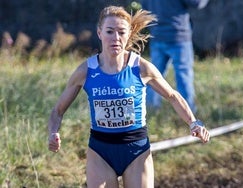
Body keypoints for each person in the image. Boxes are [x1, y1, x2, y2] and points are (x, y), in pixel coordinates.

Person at [48, 5, 210, 188]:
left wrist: (193, 123)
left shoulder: (141, 68)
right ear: (99, 33)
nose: (115, 38)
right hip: (100, 151)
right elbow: (58, 110)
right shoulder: (85, 71)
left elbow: (172, 96)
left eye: (121, 32)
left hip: (136, 150)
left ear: (129, 34)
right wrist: (53, 132)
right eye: (110, 31)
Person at [141, 0, 210, 113]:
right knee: (183, 75)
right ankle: (188, 112)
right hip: (178, 35)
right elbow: (197, 3)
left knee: (152, 76)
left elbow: (144, 8)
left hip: (157, 34)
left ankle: (151, 109)